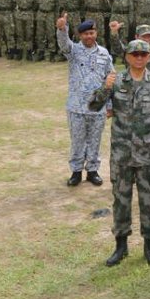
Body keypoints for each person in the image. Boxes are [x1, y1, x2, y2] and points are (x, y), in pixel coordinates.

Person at [90, 39, 150, 267]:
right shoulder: (115, 81)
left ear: (148, 57)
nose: (138, 57)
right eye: (134, 54)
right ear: (127, 56)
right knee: (121, 200)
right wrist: (105, 88)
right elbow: (94, 106)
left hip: (147, 154)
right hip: (122, 154)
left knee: (149, 201)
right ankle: (121, 246)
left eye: (143, 54)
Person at [56, 15, 114, 188]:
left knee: (95, 140)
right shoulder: (73, 51)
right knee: (77, 140)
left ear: (96, 33)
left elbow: (109, 79)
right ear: (80, 35)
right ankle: (75, 172)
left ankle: (92, 171)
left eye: (92, 32)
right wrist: (61, 29)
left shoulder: (104, 53)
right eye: (85, 34)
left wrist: (110, 105)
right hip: (76, 107)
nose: (89, 36)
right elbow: (63, 44)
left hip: (97, 107)